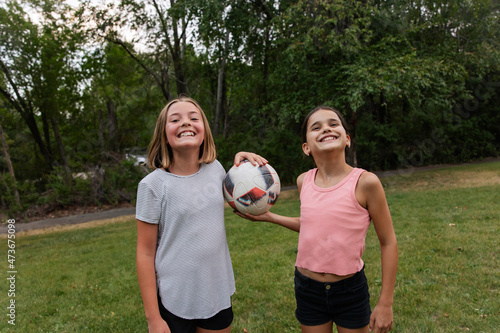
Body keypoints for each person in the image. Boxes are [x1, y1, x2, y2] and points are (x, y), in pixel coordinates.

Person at [236, 106, 398, 333]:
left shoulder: (366, 183)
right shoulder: (304, 181)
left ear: (347, 139)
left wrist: (386, 303)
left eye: (333, 124)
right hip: (307, 287)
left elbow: (388, 242)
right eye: (316, 127)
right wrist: (270, 217)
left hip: (349, 290)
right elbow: (314, 226)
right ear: (306, 147)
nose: (326, 129)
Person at [136, 95, 267, 333]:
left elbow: (240, 194)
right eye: (175, 120)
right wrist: (153, 319)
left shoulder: (216, 169)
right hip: (175, 299)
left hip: (215, 291)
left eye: (193, 118)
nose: (186, 123)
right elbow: (145, 253)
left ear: (204, 131)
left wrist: (242, 161)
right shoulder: (152, 185)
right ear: (164, 134)